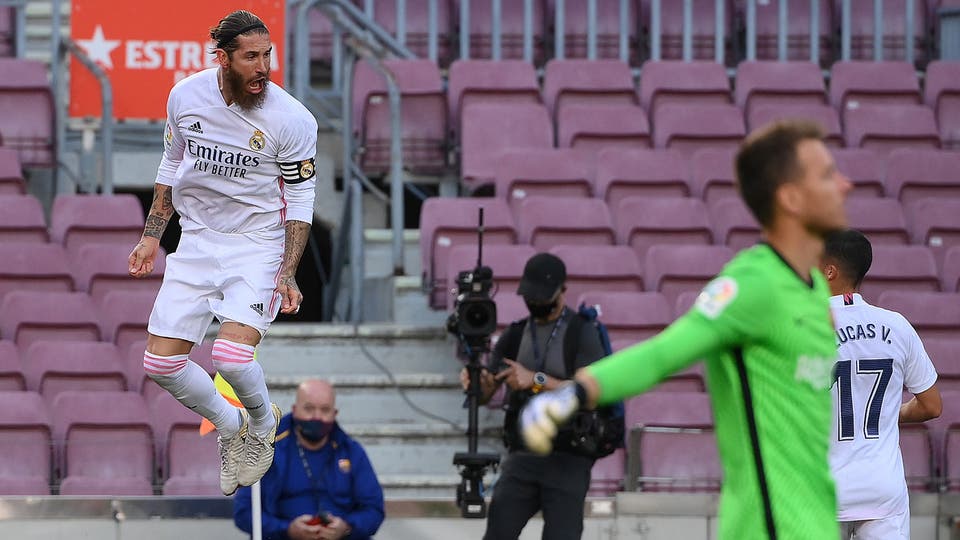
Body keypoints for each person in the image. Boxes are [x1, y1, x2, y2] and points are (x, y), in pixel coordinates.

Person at [521, 120, 854, 539]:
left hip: (819, 524)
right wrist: (573, 393)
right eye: (827, 175)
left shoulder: (815, 288)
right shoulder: (752, 284)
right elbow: (664, 352)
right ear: (790, 198)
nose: (845, 184)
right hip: (769, 529)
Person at [127, 9, 319, 496]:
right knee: (160, 365)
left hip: (257, 244)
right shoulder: (185, 96)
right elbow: (171, 163)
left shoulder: (293, 119)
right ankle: (231, 427)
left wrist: (288, 272)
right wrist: (152, 234)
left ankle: (262, 426)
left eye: (267, 55)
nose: (263, 67)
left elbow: (301, 198)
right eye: (251, 57)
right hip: (196, 240)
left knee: (230, 358)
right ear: (223, 58)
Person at [459, 252, 606, 540]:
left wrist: (536, 381)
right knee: (498, 531)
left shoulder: (582, 332)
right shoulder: (516, 335)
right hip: (523, 454)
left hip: (569, 454)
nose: (536, 303)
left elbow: (591, 393)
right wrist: (477, 381)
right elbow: (486, 394)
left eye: (542, 297)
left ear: (562, 291)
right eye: (531, 297)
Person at [821, 229, 942, 539]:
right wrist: (889, 413)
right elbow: (932, 406)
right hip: (882, 490)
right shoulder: (896, 325)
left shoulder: (806, 328)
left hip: (822, 489)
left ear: (829, 271)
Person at [233, 379, 385, 540]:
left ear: (335, 414)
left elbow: (374, 510)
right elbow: (243, 512)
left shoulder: (351, 451)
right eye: (309, 408)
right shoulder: (267, 449)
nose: (317, 417)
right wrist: (286, 529)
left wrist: (347, 527)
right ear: (294, 410)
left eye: (325, 410)